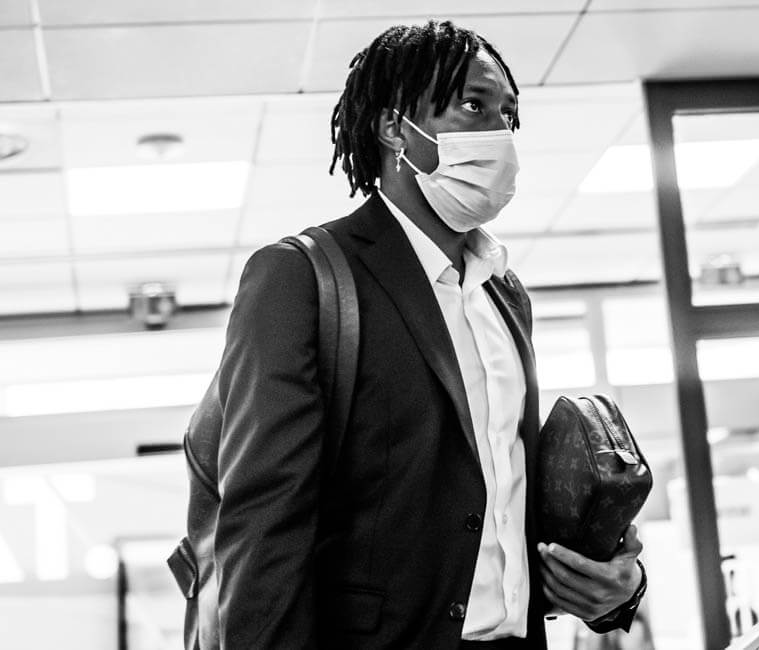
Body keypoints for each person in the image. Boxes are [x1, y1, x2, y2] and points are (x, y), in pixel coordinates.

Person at [210, 20, 644, 649]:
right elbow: (263, 524)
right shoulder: (304, 277)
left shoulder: (503, 293)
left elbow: (498, 516)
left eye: (507, 114)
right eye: (474, 106)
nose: (499, 133)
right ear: (395, 128)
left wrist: (615, 588)